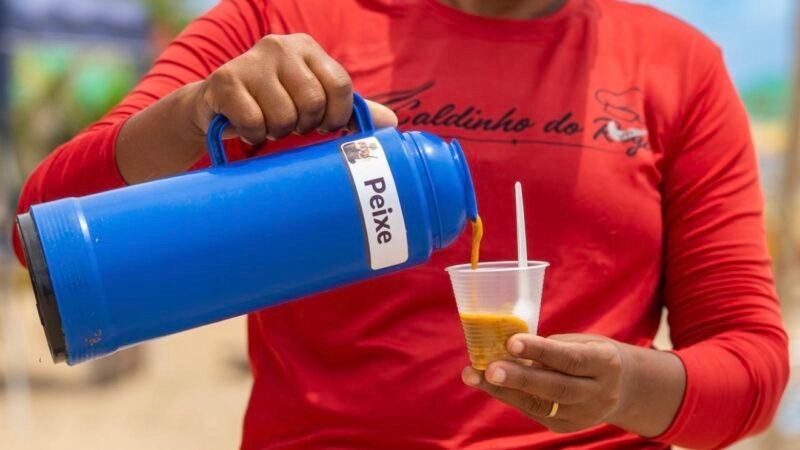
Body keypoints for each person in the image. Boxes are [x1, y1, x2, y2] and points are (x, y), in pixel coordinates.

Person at [12, 0, 789, 448]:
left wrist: (629, 386)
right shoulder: (284, 27)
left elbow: (750, 367)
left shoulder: (676, 67)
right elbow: (42, 234)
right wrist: (193, 111)